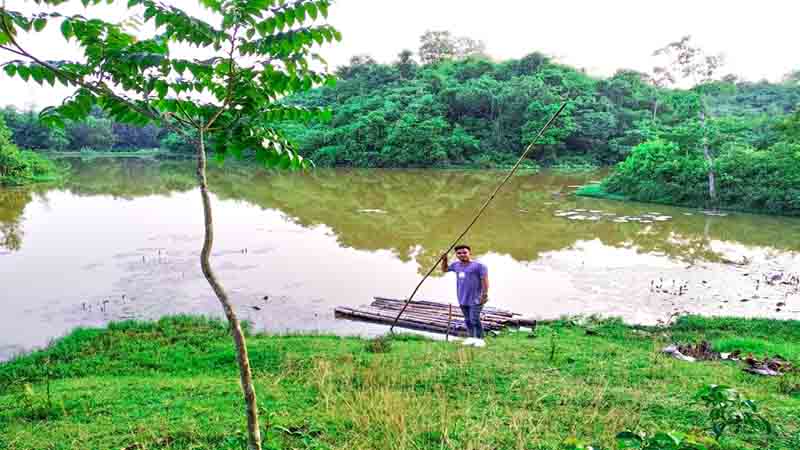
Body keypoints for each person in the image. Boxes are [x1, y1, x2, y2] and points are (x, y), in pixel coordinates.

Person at [440, 244, 489, 347]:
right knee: (467, 320)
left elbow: (485, 281)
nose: (462, 255)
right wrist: (444, 260)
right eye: (459, 253)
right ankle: (471, 338)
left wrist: (484, 296)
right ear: (456, 255)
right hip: (462, 298)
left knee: (474, 319)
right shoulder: (456, 265)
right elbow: (444, 270)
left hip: (477, 298)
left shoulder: (479, 266)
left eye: (464, 252)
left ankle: (480, 339)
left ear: (469, 253)